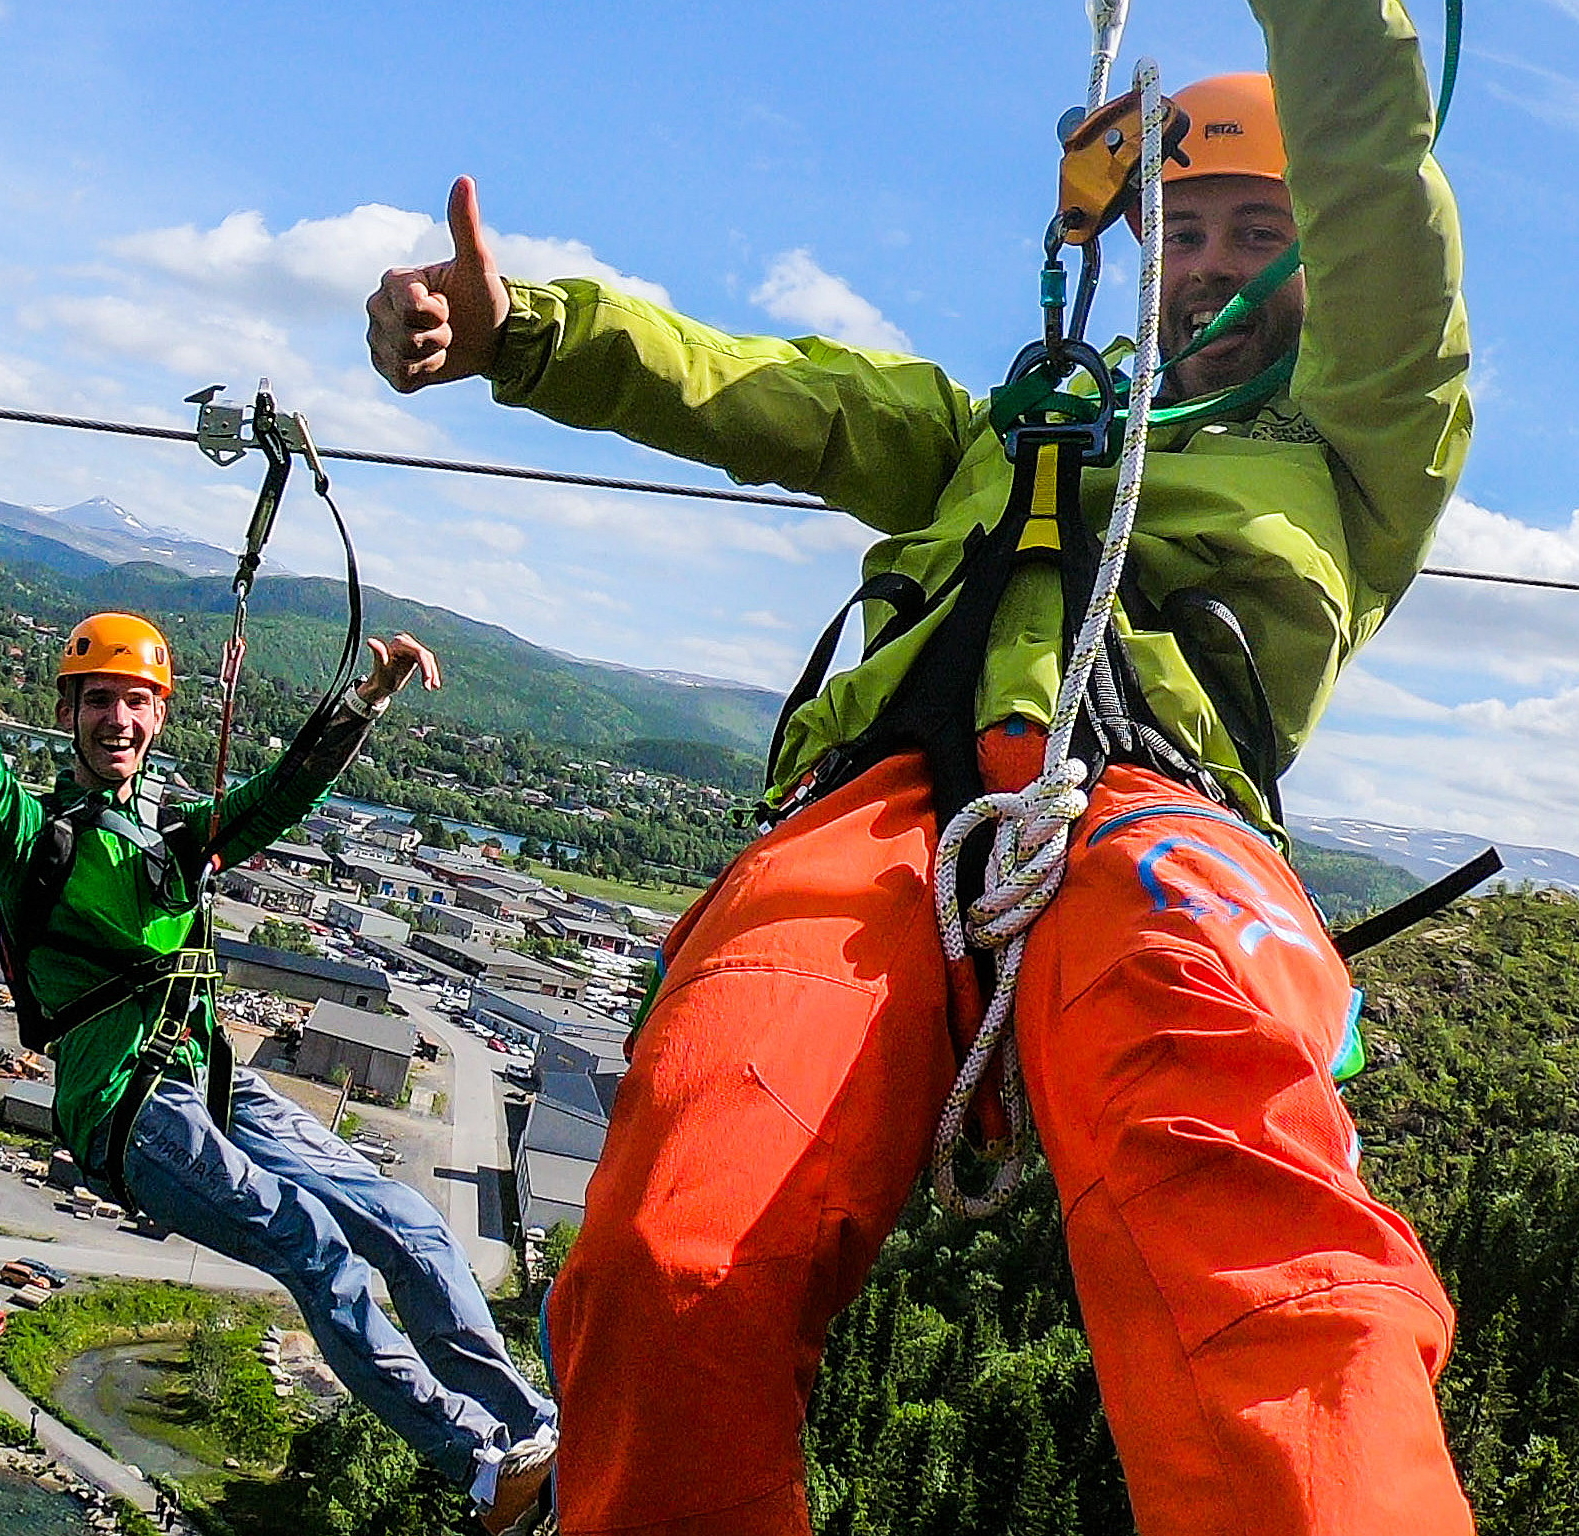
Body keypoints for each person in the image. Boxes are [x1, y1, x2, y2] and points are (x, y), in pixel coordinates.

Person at [358, 1, 1471, 1531]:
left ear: (1314, 262)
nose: (1209, 264)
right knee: (665, 1260)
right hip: (873, 822)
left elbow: (1376, 169)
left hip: (1150, 813)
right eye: (1184, 230)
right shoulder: (994, 434)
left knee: (1272, 1282)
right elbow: (775, 393)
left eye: (1255, 232)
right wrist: (533, 333)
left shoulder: (1362, 442)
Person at [0, 558, 561, 1527]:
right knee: (314, 1246)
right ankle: (479, 1467)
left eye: (135, 703)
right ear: (71, 715)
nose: (118, 720)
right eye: (99, 703)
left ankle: (533, 1436)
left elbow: (277, 797)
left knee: (409, 1226)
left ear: (157, 719)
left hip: (211, 1086)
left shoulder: (174, 840)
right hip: (128, 1110)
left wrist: (366, 698)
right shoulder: (35, 836)